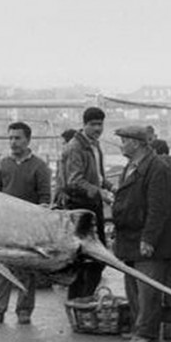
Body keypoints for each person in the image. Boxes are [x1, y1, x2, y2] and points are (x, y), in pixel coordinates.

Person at [112, 124, 171, 342]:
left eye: (124, 140)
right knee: (133, 287)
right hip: (129, 238)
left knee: (148, 289)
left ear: (136, 143)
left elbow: (159, 208)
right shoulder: (131, 166)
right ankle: (138, 327)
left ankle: (147, 332)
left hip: (147, 241)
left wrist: (148, 239)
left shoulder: (156, 168)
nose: (121, 145)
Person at [0, 122, 52, 325]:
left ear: (28, 140)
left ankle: (24, 311)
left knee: (26, 270)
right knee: (0, 268)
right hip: (4, 226)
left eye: (17, 138)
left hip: (27, 228)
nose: (13, 142)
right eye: (11, 138)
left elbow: (45, 200)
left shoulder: (40, 167)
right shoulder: (4, 164)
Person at [58, 106, 114, 300]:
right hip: (80, 208)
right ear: (84, 125)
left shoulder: (95, 145)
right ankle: (79, 300)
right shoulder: (75, 147)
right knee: (85, 259)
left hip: (94, 205)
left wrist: (111, 187)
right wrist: (99, 192)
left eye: (100, 124)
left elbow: (97, 176)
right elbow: (74, 181)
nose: (98, 128)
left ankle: (84, 298)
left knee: (96, 258)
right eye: (93, 124)